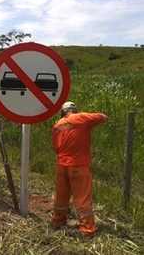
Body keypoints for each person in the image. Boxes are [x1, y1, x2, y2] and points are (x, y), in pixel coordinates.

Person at [51, 101, 108, 238]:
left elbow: (56, 148)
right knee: (83, 198)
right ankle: (87, 231)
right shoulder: (80, 118)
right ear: (74, 110)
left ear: (62, 112)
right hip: (78, 165)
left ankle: (58, 221)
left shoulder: (57, 125)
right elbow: (102, 117)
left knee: (61, 196)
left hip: (61, 165)